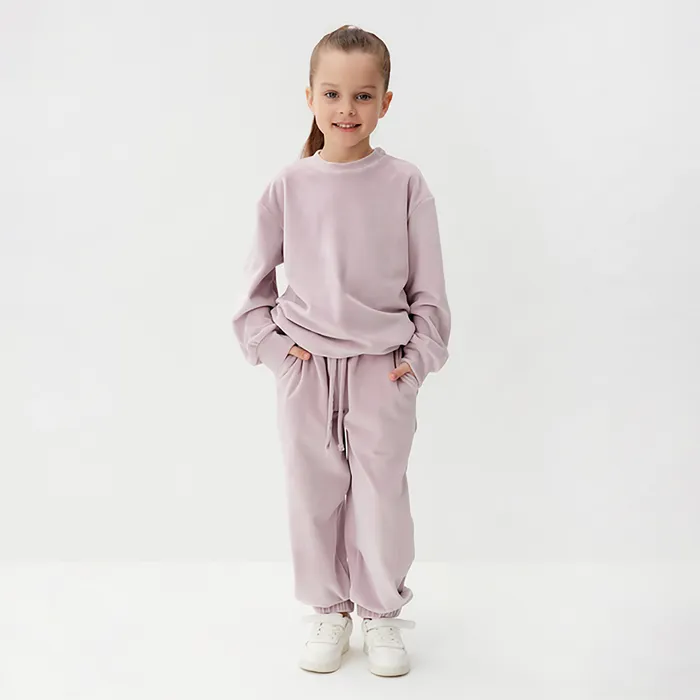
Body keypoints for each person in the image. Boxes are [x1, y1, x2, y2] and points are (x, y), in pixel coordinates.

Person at [231, 24, 451, 677]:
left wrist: (416, 360)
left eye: (362, 95)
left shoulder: (405, 182)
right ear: (310, 97)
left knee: (381, 493)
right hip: (306, 366)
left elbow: (430, 290)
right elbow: (252, 293)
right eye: (331, 93)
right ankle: (329, 610)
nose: (346, 109)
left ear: (385, 102)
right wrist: (276, 354)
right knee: (312, 490)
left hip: (383, 367)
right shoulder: (288, 185)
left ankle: (380, 613)